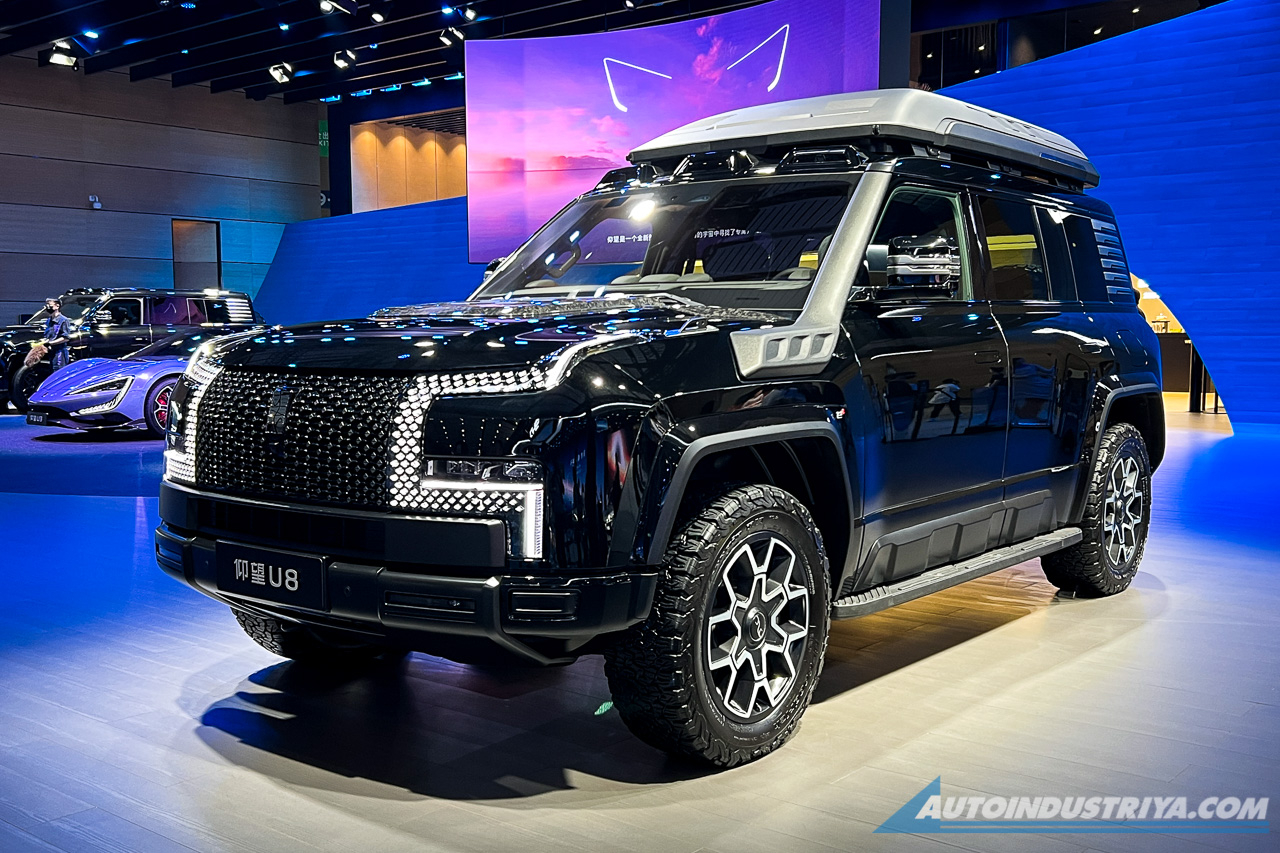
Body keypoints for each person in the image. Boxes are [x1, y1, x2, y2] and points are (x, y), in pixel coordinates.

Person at [41, 297, 74, 370]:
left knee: (58, 371)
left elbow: (66, 338)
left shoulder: (63, 320)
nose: (47, 307)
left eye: (50, 305)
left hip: (59, 353)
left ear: (57, 306)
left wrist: (51, 343)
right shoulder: (49, 320)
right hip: (50, 352)